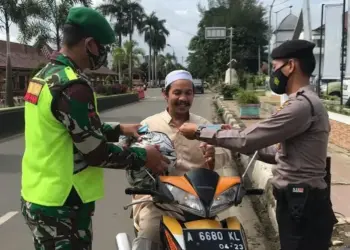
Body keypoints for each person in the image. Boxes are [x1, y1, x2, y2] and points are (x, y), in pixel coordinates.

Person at [20, 7, 168, 250]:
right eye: (102, 47)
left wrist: (120, 128)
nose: (104, 54)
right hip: (62, 204)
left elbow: (66, 128)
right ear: (89, 44)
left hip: (38, 195)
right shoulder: (72, 86)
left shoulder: (44, 77)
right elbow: (97, 153)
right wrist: (145, 157)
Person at [178, 40, 337, 250]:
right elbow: (275, 152)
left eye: (275, 68)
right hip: (299, 203)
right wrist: (229, 135)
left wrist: (199, 132)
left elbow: (247, 139)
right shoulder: (306, 103)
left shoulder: (301, 106)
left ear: (291, 66)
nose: (273, 74)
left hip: (303, 205)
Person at [130, 70, 232, 250]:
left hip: (199, 202)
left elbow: (227, 154)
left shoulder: (204, 126)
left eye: (188, 93)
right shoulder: (148, 125)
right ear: (165, 94)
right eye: (177, 92)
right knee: (150, 233)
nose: (183, 98)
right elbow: (133, 160)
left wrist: (213, 154)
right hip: (158, 202)